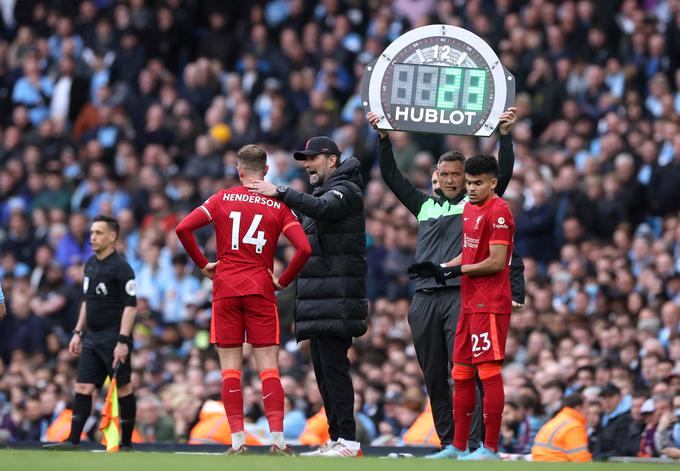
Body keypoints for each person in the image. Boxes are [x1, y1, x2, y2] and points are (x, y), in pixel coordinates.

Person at [367, 109, 525, 458]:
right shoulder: (424, 206)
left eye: (457, 174)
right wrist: (382, 139)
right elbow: (392, 176)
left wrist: (506, 136)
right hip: (423, 298)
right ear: (436, 177)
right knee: (434, 375)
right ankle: (448, 442)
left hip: (459, 294)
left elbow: (503, 173)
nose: (452, 180)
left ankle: (475, 444)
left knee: (468, 372)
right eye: (446, 174)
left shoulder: (475, 205)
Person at [175, 144, 311, 455]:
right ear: (265, 171)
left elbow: (183, 228)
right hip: (261, 287)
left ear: (239, 171)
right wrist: (283, 280)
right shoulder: (277, 206)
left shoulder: (222, 198)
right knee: (269, 370)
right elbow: (304, 249)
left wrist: (202, 264)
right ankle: (277, 440)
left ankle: (237, 442)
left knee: (230, 370)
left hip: (225, 288)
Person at [248, 136, 367, 457]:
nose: (307, 165)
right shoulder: (321, 193)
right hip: (319, 299)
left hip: (337, 298)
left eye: (312, 158)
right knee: (324, 374)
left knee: (335, 371)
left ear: (332, 160)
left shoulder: (347, 191)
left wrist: (282, 192)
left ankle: (349, 442)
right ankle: (336, 438)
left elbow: (324, 209)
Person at [408, 154, 516, 460]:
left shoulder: (500, 211)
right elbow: (466, 256)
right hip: (468, 302)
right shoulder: (468, 209)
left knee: (488, 371)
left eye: (477, 183)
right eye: (468, 182)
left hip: (490, 303)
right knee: (462, 373)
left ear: (493, 183)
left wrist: (457, 271)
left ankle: (490, 448)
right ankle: (456, 446)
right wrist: (440, 267)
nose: (470, 188)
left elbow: (496, 261)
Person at [44, 215, 138, 450]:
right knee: (82, 387)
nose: (92, 237)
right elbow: (88, 300)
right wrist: (77, 331)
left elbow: (131, 305)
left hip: (114, 336)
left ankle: (126, 443)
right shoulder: (91, 264)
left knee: (123, 387)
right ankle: (74, 440)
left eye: (98, 233)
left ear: (113, 236)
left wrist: (123, 341)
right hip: (92, 337)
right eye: (91, 233)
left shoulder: (122, 268)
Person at [532, 393, 592, 462]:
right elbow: (581, 459)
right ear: (578, 408)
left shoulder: (557, 420)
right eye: (587, 407)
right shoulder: (574, 426)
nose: (588, 411)